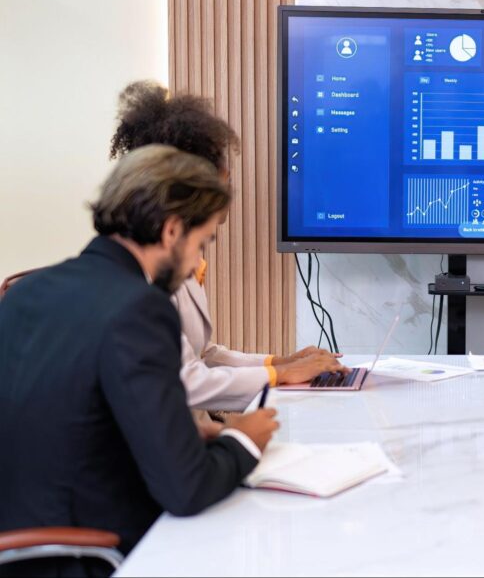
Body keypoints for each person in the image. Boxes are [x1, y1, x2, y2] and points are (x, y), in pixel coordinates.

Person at [0, 146, 278, 576]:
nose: (196, 265)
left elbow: (78, 416)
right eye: (201, 243)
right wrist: (244, 441)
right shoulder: (140, 308)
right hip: (87, 554)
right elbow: (186, 488)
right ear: (171, 231)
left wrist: (194, 435)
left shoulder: (25, 292)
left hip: (25, 536)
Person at [109, 81, 343, 412]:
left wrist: (281, 363)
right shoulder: (140, 275)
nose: (229, 186)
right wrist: (280, 375)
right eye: (224, 178)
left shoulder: (179, 255)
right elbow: (182, 381)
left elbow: (200, 357)